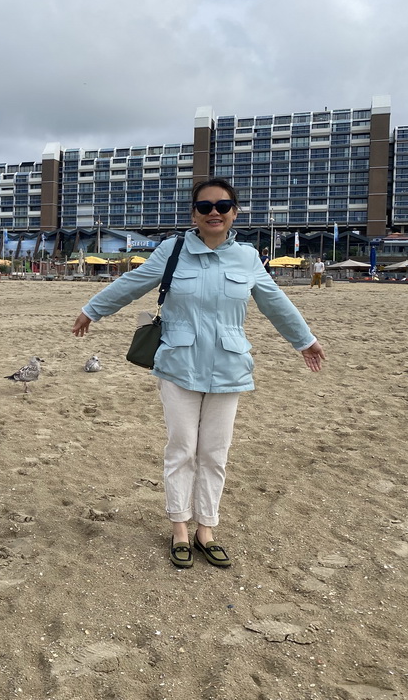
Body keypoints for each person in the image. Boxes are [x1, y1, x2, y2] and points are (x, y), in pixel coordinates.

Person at [71, 178, 325, 569]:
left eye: (222, 206)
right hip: (178, 365)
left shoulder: (247, 257)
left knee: (214, 453)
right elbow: (133, 283)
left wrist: (304, 340)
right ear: (194, 213)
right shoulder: (172, 250)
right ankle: (179, 529)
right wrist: (93, 309)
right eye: (205, 206)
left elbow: (275, 301)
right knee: (182, 448)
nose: (213, 213)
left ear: (234, 212)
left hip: (228, 366)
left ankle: (206, 528)